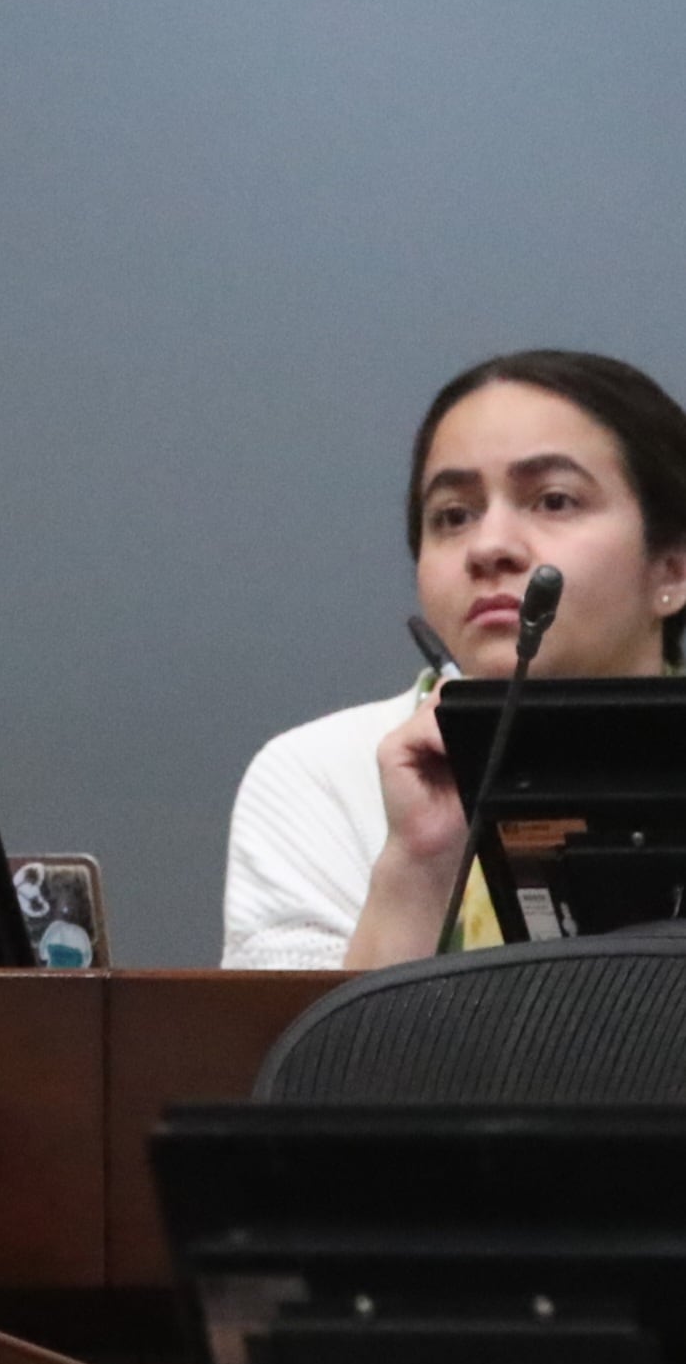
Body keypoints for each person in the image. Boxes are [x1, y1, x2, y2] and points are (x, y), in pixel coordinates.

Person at [223, 350, 686, 970]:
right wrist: (417, 864)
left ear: (673, 567)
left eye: (553, 500)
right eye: (453, 516)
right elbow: (292, 1060)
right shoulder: (321, 774)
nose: (488, 547)